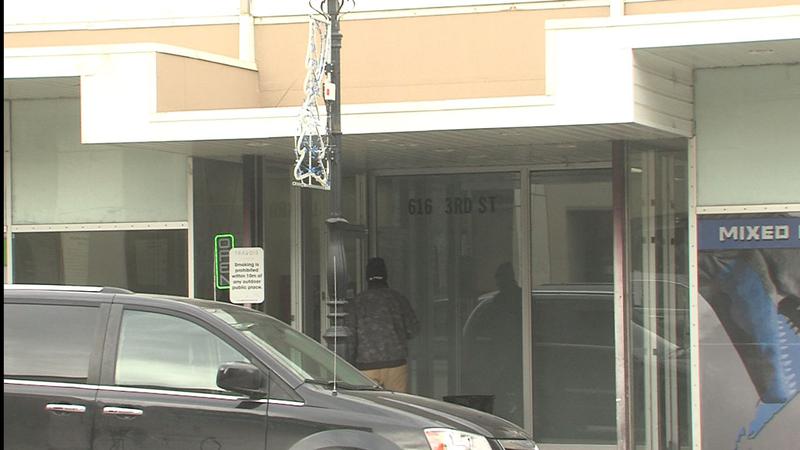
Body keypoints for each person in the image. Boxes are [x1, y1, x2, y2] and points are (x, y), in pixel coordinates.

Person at [461, 262, 523, 423]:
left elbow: (483, 326)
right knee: (510, 385)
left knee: (506, 384)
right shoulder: (517, 297)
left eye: (499, 277)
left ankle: (507, 416)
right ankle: (510, 415)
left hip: (509, 349)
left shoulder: (505, 300)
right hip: (510, 349)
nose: (498, 282)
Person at [349, 257, 420, 392]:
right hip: (396, 364)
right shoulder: (398, 299)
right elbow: (413, 329)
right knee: (398, 403)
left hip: (366, 365)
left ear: (367, 277)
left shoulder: (358, 302)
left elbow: (350, 337)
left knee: (368, 404)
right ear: (386, 276)